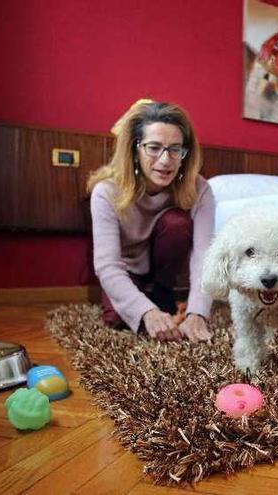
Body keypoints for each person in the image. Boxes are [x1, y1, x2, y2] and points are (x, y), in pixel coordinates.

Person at [87, 99, 214, 342]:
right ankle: (153, 301)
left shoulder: (200, 189)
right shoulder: (106, 191)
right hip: (127, 269)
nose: (165, 161)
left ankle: (161, 292)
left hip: (163, 273)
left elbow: (204, 257)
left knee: (176, 223)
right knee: (117, 319)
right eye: (154, 147)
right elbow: (107, 265)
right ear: (136, 149)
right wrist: (146, 311)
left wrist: (199, 313)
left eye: (175, 149)